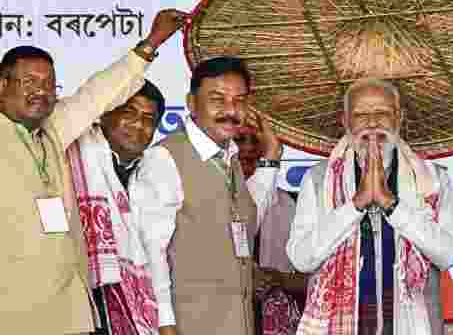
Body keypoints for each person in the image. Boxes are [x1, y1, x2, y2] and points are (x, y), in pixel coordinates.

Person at [0, 9, 188, 335]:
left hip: (67, 317)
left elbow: (97, 95)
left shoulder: (52, 131)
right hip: (5, 318)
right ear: (1, 85)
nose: (41, 90)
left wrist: (150, 44)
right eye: (30, 82)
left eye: (50, 83)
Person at [287, 78, 453, 335]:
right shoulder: (318, 179)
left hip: (412, 324)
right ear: (345, 122)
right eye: (361, 115)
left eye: (382, 113)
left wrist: (390, 204)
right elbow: (301, 258)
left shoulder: (433, 180)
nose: (372, 123)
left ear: (398, 118)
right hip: (338, 324)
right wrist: (356, 205)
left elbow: (447, 255)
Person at [135, 56, 284, 335]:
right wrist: (165, 325)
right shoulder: (165, 157)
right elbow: (151, 253)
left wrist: (271, 158)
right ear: (191, 103)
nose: (231, 110)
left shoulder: (229, 156)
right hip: (188, 324)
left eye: (239, 101)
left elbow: (247, 217)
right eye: (218, 99)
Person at [67, 79, 168, 335]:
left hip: (136, 306)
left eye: (148, 119)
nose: (138, 125)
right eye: (129, 113)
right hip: (77, 302)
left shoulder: (155, 176)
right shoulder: (72, 155)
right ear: (103, 115)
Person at [237, 132, 308, 335]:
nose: (249, 147)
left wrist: (277, 279)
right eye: (240, 139)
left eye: (257, 140)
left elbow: (314, 281)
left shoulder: (291, 206)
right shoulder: (206, 201)